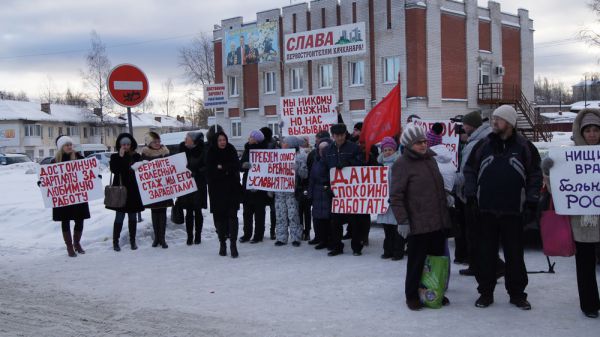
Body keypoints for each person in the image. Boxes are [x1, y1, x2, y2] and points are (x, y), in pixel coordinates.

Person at [464, 105, 542, 310]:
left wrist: (532, 200)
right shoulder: (483, 145)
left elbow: (535, 174)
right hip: (486, 211)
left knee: (515, 255)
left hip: (514, 212)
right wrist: (471, 195)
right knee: (485, 254)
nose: (494, 122)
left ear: (509, 122)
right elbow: (469, 170)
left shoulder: (525, 147)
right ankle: (486, 293)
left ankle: (517, 294)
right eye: (493, 119)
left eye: (498, 119)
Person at [542, 108, 600, 318]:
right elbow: (557, 189)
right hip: (582, 223)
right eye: (588, 130)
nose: (592, 134)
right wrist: (549, 171)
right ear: (581, 132)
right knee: (585, 266)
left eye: (596, 130)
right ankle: (590, 304)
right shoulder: (569, 157)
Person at [390, 125, 451, 311]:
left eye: (424, 141)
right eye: (419, 143)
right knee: (417, 262)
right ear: (409, 144)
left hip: (436, 220)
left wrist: (446, 195)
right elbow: (396, 196)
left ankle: (433, 291)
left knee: (436, 261)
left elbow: (435, 185)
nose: (423, 145)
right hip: (417, 223)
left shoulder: (431, 159)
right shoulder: (401, 164)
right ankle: (412, 296)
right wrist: (402, 220)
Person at [42, 136, 90, 257]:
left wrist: (94, 176)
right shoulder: (54, 162)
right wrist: (42, 183)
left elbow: (88, 171)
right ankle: (69, 246)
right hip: (63, 197)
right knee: (65, 220)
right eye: (66, 145)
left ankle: (77, 243)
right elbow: (48, 178)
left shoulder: (79, 158)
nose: (69, 147)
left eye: (70, 144)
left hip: (78, 196)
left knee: (80, 219)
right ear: (61, 147)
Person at [323, 123, 364, 256]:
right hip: (334, 191)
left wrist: (348, 163)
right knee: (335, 221)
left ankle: (356, 247)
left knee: (355, 220)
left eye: (342, 135)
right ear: (333, 136)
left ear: (346, 134)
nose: (340, 138)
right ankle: (337, 246)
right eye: (337, 136)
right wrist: (326, 186)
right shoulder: (327, 150)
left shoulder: (354, 148)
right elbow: (324, 168)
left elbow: (361, 163)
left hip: (351, 190)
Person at [207, 131, 241, 258]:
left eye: (224, 140)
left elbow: (236, 166)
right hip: (217, 191)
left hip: (232, 189)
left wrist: (222, 167)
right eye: (220, 140)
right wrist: (224, 169)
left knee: (233, 216)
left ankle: (233, 244)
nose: (222, 142)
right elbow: (210, 170)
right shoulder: (211, 152)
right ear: (216, 141)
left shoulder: (231, 149)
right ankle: (222, 243)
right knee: (220, 218)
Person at [108, 133, 144, 251]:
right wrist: (121, 156)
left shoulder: (136, 156)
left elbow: (139, 171)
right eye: (123, 144)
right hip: (120, 190)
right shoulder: (115, 157)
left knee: (132, 217)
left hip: (133, 190)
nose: (126, 146)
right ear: (119, 145)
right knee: (119, 217)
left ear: (131, 144)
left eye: (128, 144)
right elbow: (115, 170)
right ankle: (115, 242)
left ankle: (132, 241)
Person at [274, 136, 308, 247]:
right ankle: (281, 237)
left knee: (293, 215)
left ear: (290, 145)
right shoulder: (276, 156)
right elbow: (269, 173)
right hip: (279, 191)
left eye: (284, 142)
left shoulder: (300, 157)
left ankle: (296, 237)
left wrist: (297, 168)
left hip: (292, 191)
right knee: (280, 215)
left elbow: (305, 175)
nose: (282, 144)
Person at [141, 132, 174, 249]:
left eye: (159, 141)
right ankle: (156, 238)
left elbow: (171, 167)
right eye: (155, 142)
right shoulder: (145, 155)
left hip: (164, 188)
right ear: (150, 143)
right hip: (153, 189)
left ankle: (163, 238)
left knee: (163, 213)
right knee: (155, 213)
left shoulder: (165, 153)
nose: (157, 144)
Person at [376, 137, 405, 261]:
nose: (387, 152)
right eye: (385, 150)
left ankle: (398, 252)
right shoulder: (379, 165)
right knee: (387, 228)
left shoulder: (399, 164)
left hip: (395, 200)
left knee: (396, 228)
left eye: (390, 149)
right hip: (383, 201)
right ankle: (387, 250)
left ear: (395, 150)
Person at [177, 131, 207, 245]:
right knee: (188, 211)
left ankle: (198, 235)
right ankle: (189, 236)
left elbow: (206, 166)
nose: (185, 139)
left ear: (193, 140)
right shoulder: (182, 149)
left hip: (198, 184)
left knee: (197, 211)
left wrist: (197, 172)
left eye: (187, 138)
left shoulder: (202, 150)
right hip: (186, 185)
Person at [239, 130, 269, 243]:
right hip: (248, 184)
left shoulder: (264, 151)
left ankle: (258, 235)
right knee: (247, 212)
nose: (249, 138)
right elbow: (240, 166)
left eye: (251, 136)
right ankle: (247, 234)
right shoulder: (247, 149)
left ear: (256, 139)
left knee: (259, 212)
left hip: (260, 186)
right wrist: (244, 165)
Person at [308, 139, 334, 250]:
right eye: (320, 149)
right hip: (317, 193)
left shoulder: (332, 160)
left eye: (324, 149)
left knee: (328, 219)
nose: (322, 151)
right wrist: (310, 193)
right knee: (319, 219)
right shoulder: (316, 161)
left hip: (327, 192)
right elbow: (312, 178)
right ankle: (322, 239)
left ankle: (329, 240)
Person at [260, 126, 278, 240]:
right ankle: (272, 231)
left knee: (264, 208)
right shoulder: (275, 145)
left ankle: (264, 231)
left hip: (264, 179)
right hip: (270, 179)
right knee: (272, 209)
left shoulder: (264, 145)